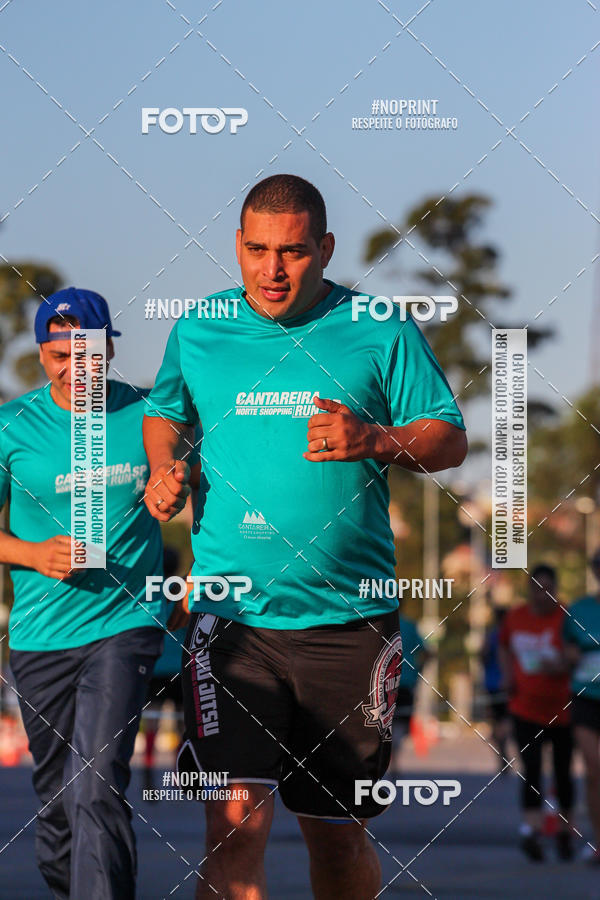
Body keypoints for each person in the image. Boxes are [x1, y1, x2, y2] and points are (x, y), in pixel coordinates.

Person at [143, 174, 467, 899]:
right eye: (256, 250)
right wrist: (165, 468)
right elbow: (165, 411)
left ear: (324, 248)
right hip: (233, 622)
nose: (272, 269)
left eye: (292, 251)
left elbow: (449, 439)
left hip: (350, 623)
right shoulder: (200, 330)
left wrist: (376, 437)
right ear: (237, 245)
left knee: (337, 835)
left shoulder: (378, 325)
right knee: (233, 826)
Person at [0, 288, 195, 899]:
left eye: (85, 352)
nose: (73, 367)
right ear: (41, 356)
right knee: (60, 810)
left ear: (109, 348)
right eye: (59, 356)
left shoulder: (149, 416)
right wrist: (32, 554)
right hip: (39, 638)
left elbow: (206, 491)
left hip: (124, 625)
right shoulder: (12, 428)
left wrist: (195, 561)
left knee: (96, 783)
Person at [499, 564, 574, 862]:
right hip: (525, 708)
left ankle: (566, 831)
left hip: (563, 709)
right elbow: (503, 647)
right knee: (531, 770)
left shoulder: (567, 617)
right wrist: (508, 676)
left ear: (556, 590)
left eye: (548, 590)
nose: (543, 596)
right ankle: (532, 830)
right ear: (529, 591)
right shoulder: (515, 618)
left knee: (563, 771)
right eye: (537, 589)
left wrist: (565, 663)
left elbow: (580, 649)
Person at [563, 547, 600, 863]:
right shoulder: (580, 609)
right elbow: (567, 650)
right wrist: (571, 656)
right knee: (593, 769)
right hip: (586, 697)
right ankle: (599, 843)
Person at [143, 545, 186, 792]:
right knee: (182, 725)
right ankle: (180, 776)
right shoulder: (182, 590)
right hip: (180, 668)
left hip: (156, 668)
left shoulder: (150, 591)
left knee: (151, 723)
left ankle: (148, 768)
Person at [390, 607, 431, 772]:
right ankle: (395, 756)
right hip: (406, 682)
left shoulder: (378, 624)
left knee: (385, 722)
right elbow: (427, 652)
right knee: (402, 723)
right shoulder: (409, 625)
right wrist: (418, 672)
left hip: (384, 683)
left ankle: (390, 756)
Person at [481, 606, 511, 774]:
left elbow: (483, 655)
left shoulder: (492, 635)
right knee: (505, 720)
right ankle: (503, 744)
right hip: (506, 685)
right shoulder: (509, 635)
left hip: (492, 684)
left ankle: (502, 752)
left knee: (497, 721)